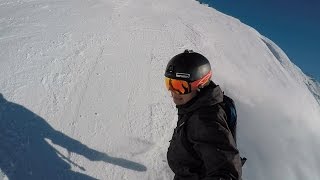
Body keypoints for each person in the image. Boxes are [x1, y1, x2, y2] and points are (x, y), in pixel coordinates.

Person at [165, 50, 242, 180]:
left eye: (180, 86)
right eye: (169, 83)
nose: (173, 92)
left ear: (200, 84)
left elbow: (226, 172)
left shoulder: (205, 119)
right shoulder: (192, 106)